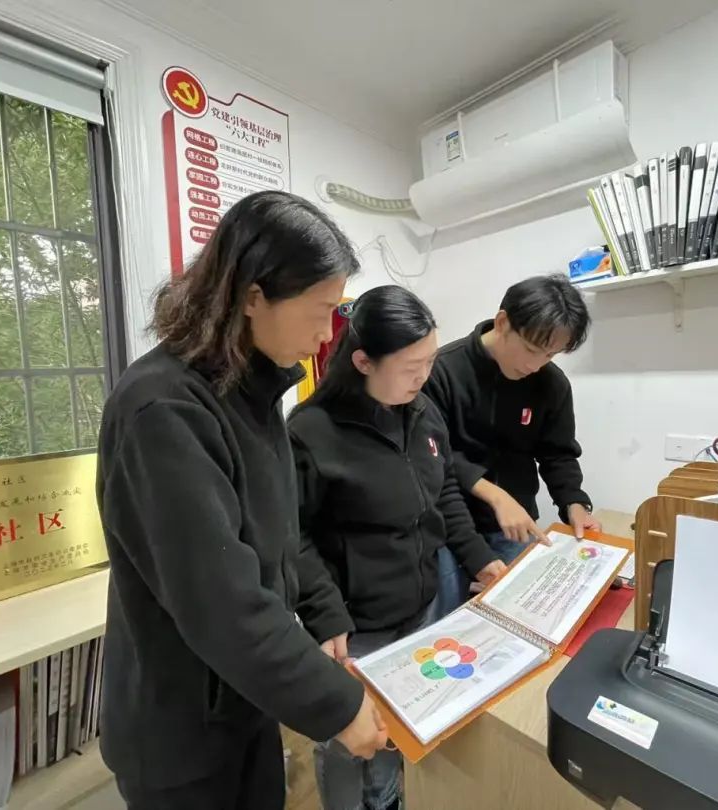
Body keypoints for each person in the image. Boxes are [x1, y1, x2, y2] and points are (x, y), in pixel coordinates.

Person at [96, 191, 388, 810]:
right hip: (182, 728)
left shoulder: (248, 393)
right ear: (253, 296)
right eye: (320, 311)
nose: (325, 335)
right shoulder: (164, 409)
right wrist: (335, 704)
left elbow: (278, 533)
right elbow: (219, 601)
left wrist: (318, 610)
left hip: (241, 698)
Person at [288, 285, 506, 810]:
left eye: (429, 361)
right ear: (362, 361)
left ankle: (386, 797)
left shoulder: (422, 410)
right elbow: (290, 534)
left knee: (397, 726)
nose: (423, 376)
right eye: (411, 366)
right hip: (354, 624)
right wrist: (324, 612)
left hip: (423, 605)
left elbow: (445, 492)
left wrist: (480, 557)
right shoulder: (310, 432)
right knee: (348, 737)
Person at [424, 274, 599, 613]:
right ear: (503, 322)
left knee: (523, 618)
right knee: (446, 630)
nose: (536, 365)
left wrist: (575, 504)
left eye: (551, 355)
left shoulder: (551, 384)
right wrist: (494, 494)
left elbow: (558, 453)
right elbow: (434, 456)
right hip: (448, 528)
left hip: (515, 528)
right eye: (532, 349)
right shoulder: (441, 371)